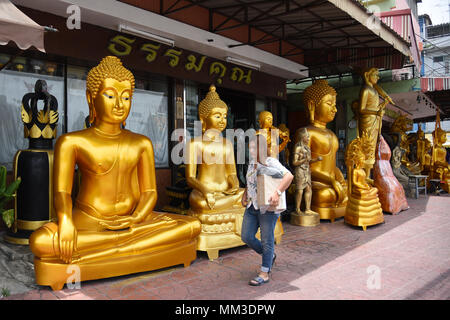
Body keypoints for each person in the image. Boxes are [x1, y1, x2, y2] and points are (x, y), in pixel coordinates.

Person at [29, 56, 200, 289]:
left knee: (190, 226)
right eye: (110, 95)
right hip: (89, 221)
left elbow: (149, 192)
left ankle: (112, 247)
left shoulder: (142, 143)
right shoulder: (72, 142)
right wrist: (66, 220)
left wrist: (136, 218)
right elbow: (61, 191)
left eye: (126, 97)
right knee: (40, 242)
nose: (119, 104)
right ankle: (123, 246)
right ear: (91, 98)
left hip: (134, 220)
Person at [241, 134, 293, 286]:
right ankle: (269, 256)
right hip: (252, 206)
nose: (250, 150)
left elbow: (288, 176)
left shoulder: (270, 162)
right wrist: (245, 194)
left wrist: (277, 192)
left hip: (267, 207)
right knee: (246, 236)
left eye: (253, 148)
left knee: (267, 239)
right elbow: (250, 181)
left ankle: (264, 272)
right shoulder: (252, 163)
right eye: (249, 147)